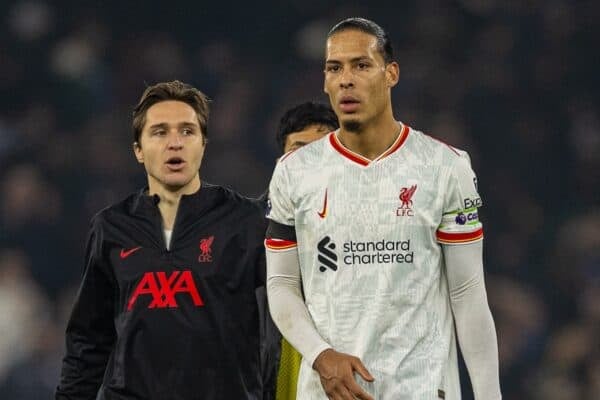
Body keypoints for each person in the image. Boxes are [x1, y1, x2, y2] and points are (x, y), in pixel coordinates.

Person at [265, 17, 502, 400]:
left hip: (421, 389)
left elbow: (468, 292)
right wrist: (321, 355)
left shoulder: (445, 167)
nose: (346, 79)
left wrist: (490, 395)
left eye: (361, 65)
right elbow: (282, 284)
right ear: (325, 81)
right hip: (328, 392)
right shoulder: (294, 172)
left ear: (390, 73)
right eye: (334, 68)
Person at [56, 80, 272, 399]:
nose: (175, 143)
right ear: (138, 151)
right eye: (160, 132)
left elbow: (283, 318)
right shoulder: (111, 228)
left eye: (187, 131)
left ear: (203, 144)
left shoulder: (245, 222)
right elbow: (88, 344)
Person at [265, 102, 339, 400]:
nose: (310, 161)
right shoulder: (243, 233)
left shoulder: (375, 226)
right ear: (281, 160)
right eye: (299, 149)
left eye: (323, 149)